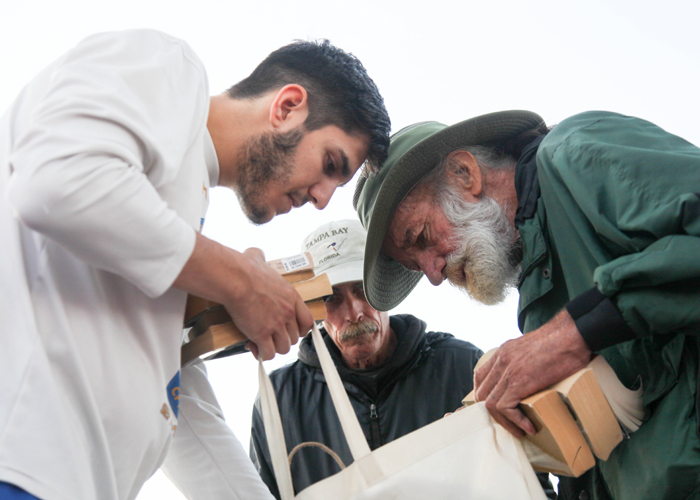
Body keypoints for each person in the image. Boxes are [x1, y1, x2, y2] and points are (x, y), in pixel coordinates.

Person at [0, 29, 390, 500]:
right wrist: (240, 283)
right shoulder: (170, 67)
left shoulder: (176, 218)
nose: (324, 199)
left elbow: (179, 410)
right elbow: (55, 178)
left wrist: (216, 295)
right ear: (287, 107)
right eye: (331, 163)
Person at [353, 111, 700, 500]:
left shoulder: (576, 153)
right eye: (415, 265)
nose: (433, 274)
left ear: (465, 174)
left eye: (421, 237)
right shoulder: (535, 295)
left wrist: (571, 334)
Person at [248, 219, 556, 499]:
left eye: (361, 289)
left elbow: (525, 480)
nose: (353, 312)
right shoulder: (279, 402)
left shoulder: (462, 367)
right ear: (313, 307)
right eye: (331, 297)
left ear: (384, 290)